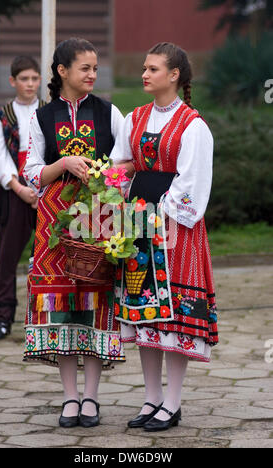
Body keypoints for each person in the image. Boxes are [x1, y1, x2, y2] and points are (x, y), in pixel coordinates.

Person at [111, 42, 219, 432]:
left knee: (174, 317)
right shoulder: (134, 119)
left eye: (153, 68)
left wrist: (155, 205)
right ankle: (150, 399)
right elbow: (120, 165)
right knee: (146, 316)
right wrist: (116, 183)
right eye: (144, 67)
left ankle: (172, 404)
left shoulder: (194, 125)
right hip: (138, 230)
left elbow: (193, 185)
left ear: (174, 75)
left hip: (176, 231)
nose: (144, 74)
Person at [23, 37, 125, 428]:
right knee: (60, 303)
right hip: (53, 221)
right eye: (85, 68)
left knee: (96, 301)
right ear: (63, 71)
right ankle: (69, 397)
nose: (93, 75)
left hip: (99, 216)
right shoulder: (42, 117)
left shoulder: (109, 112)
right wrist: (63, 161)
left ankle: (92, 399)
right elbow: (32, 172)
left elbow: (124, 162)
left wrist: (103, 176)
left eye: (96, 68)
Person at [0, 56, 45, 340]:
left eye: (34, 78)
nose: (30, 84)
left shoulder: (48, 112)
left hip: (46, 188)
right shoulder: (3, 116)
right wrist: (21, 188)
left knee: (48, 254)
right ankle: (2, 317)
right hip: (15, 189)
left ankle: (44, 316)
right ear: (13, 81)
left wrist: (41, 189)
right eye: (24, 79)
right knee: (8, 256)